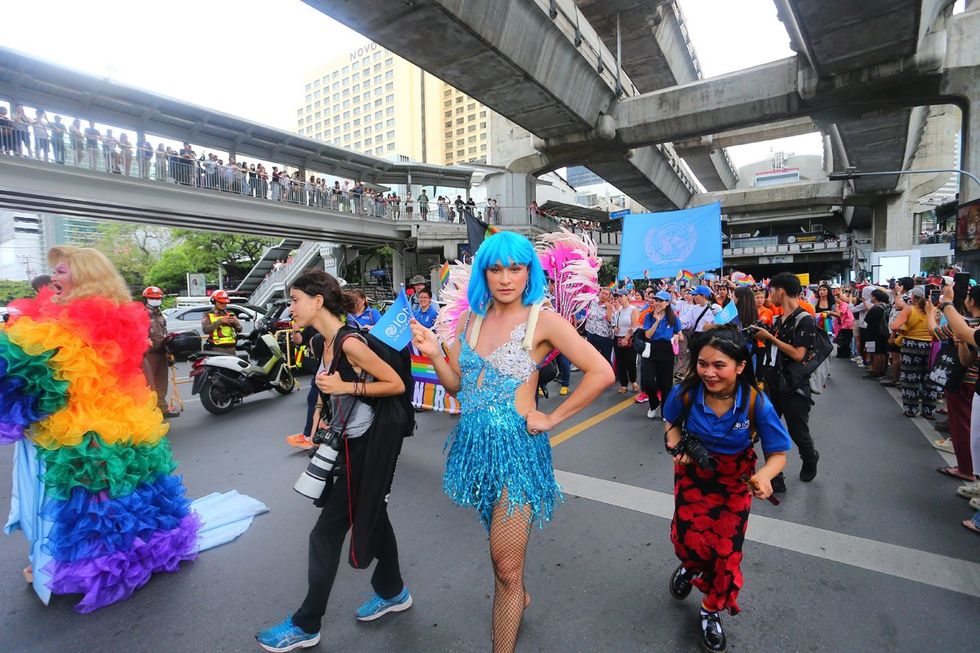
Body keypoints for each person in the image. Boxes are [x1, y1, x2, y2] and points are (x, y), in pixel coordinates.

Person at [410, 231, 613, 653]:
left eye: (515, 268)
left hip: (518, 451)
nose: (506, 278)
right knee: (501, 552)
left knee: (504, 565)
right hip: (474, 450)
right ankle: (516, 593)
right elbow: (459, 388)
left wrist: (553, 416)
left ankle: (507, 616)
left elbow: (601, 372)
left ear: (529, 272)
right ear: (484, 272)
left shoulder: (543, 321)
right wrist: (432, 353)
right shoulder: (469, 320)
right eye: (496, 268)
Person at [1, 246, 197, 612]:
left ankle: (94, 570)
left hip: (83, 424)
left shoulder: (66, 322)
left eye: (61, 271)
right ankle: (146, 554)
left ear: (86, 275)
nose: (53, 279)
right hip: (124, 418)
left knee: (94, 500)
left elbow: (47, 379)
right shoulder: (117, 314)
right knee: (131, 491)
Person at [256, 270, 412, 652]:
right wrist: (323, 416)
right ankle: (393, 591)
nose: (290, 308)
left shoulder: (351, 342)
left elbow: (395, 384)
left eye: (294, 300)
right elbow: (329, 395)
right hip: (342, 446)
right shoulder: (319, 343)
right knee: (375, 519)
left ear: (318, 301)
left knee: (325, 532)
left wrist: (346, 386)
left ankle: (306, 623)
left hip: (365, 451)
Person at [663, 326, 790, 653]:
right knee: (689, 540)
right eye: (703, 364)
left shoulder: (755, 402)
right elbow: (672, 427)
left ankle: (710, 609)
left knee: (725, 553)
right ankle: (690, 566)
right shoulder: (686, 392)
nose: (709, 372)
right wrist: (678, 450)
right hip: (692, 477)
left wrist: (765, 475)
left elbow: (778, 454)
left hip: (733, 483)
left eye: (719, 365)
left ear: (740, 366)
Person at [752, 272, 818, 492]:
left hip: (794, 385)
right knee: (768, 430)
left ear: (780, 291)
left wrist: (770, 338)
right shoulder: (779, 319)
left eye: (770, 291)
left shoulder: (805, 319)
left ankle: (810, 458)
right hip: (772, 382)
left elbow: (799, 354)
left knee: (798, 432)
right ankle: (775, 476)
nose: (768, 295)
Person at [933, 284, 980, 533]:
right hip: (973, 384)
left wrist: (942, 305)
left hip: (964, 383)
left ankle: (965, 468)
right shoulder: (968, 324)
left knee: (964, 428)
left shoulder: (966, 324)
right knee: (971, 431)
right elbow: (966, 357)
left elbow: (935, 331)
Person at [889, 286, 938, 418]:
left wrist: (904, 330)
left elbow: (894, 326)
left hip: (911, 347)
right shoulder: (935, 311)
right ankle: (929, 411)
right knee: (930, 380)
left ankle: (911, 409)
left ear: (913, 297)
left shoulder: (909, 310)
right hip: (931, 347)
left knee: (910, 379)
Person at [641, 290, 682, 419]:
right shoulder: (649, 316)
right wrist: (657, 322)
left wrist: (676, 336)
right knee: (647, 381)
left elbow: (680, 335)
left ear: (667, 303)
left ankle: (665, 410)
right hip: (651, 349)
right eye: (656, 300)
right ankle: (654, 404)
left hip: (666, 350)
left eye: (660, 301)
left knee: (666, 384)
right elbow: (647, 335)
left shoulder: (673, 318)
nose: (657, 303)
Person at [142, 286, 179, 419]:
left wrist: (169, 352)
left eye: (158, 298)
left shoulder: (161, 315)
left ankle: (162, 409)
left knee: (162, 382)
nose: (156, 301)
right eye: (153, 298)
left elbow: (164, 333)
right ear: (146, 299)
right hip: (149, 354)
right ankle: (150, 411)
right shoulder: (142, 314)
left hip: (162, 352)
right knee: (149, 384)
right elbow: (137, 332)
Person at [611, 290, 639, 394]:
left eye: (620, 296)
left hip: (629, 338)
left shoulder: (633, 310)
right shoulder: (619, 310)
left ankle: (634, 382)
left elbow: (634, 326)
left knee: (630, 361)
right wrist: (615, 328)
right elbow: (615, 323)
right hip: (618, 338)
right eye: (617, 297)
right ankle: (623, 384)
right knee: (620, 362)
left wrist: (626, 338)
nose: (618, 299)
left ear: (627, 296)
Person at [201, 289, 241, 355]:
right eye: (221, 303)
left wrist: (235, 323)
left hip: (231, 348)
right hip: (216, 349)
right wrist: (220, 321)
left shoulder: (230, 313)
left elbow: (239, 329)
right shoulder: (208, 315)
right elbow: (205, 330)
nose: (224, 305)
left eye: (225, 303)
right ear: (214, 301)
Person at [583, 287, 615, 366]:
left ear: (609, 297)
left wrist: (608, 308)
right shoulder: (593, 303)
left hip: (604, 336)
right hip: (591, 333)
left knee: (605, 359)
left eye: (606, 294)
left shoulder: (610, 306)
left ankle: (608, 376)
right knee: (591, 357)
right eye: (602, 293)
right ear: (599, 293)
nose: (603, 295)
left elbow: (610, 321)